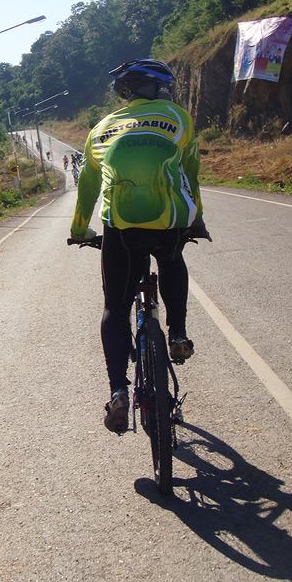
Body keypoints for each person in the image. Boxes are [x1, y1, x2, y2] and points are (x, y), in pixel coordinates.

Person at [69, 58, 210, 434]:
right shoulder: (179, 117)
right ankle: (177, 334)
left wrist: (80, 229)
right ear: (157, 89)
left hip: (122, 226)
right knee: (172, 258)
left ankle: (118, 392)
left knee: (115, 308)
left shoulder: (100, 129)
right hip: (169, 221)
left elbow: (88, 186)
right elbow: (190, 172)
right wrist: (197, 220)